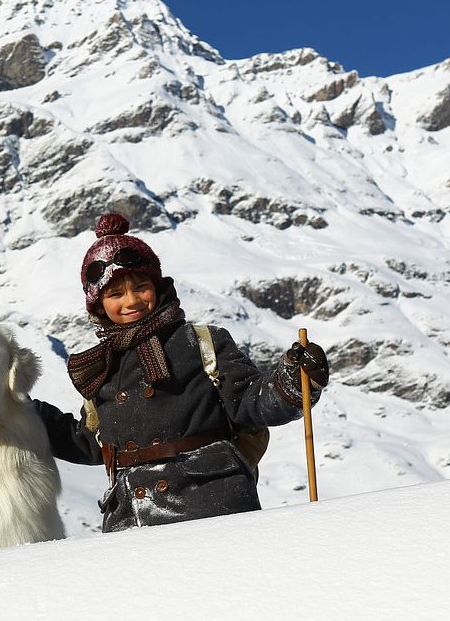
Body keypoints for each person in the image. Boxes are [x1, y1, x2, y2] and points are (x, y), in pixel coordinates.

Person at [35, 213, 329, 532]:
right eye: (115, 294)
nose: (131, 301)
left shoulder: (200, 342)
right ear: (97, 304)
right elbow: (92, 443)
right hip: (131, 522)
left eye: (141, 287)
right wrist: (21, 412)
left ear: (157, 287)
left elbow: (251, 402)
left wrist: (293, 379)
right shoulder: (101, 369)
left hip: (211, 507)